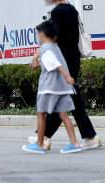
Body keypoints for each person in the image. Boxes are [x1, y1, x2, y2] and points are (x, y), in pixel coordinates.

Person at [28, 0, 102, 150]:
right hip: (73, 59)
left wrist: (36, 56)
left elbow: (51, 39)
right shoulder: (72, 9)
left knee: (60, 98)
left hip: (63, 62)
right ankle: (89, 136)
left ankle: (44, 138)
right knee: (70, 98)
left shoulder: (57, 12)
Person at [23, 21, 82, 154]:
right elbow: (42, 64)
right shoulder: (54, 47)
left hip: (49, 87)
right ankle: (74, 143)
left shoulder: (45, 48)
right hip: (62, 87)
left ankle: (40, 144)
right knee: (63, 114)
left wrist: (67, 76)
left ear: (43, 34)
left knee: (41, 114)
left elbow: (55, 64)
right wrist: (36, 59)